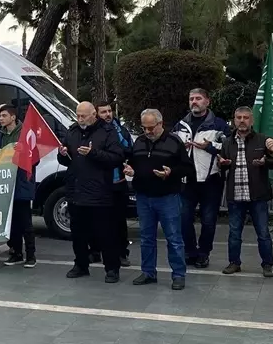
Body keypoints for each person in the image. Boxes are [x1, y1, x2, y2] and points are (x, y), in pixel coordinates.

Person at [58, 102, 126, 282]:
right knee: (78, 233)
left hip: (100, 192)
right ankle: (81, 264)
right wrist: (62, 153)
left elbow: (117, 157)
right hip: (76, 191)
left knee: (106, 233)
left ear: (93, 114)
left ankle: (112, 268)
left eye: (83, 116)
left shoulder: (107, 131)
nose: (80, 119)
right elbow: (67, 160)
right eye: (77, 115)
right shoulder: (72, 131)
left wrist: (93, 153)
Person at [127, 108, 192, 290]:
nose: (148, 132)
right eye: (144, 128)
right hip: (144, 197)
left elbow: (187, 168)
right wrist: (130, 169)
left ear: (160, 124)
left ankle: (178, 275)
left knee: (174, 237)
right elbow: (133, 162)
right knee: (147, 237)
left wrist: (171, 173)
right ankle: (148, 272)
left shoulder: (173, 142)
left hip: (167, 197)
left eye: (151, 128)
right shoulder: (139, 141)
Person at [217, 106, 273, 278]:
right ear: (234, 120)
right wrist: (222, 164)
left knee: (263, 232)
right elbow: (221, 165)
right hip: (235, 195)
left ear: (251, 121)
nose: (242, 121)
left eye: (246, 117)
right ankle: (234, 263)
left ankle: (267, 265)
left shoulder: (262, 140)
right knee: (234, 233)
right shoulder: (227, 142)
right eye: (238, 117)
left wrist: (267, 160)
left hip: (258, 195)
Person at [174, 89, 229, 269]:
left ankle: (204, 253)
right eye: (191, 99)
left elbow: (229, 148)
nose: (194, 102)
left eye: (198, 98)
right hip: (186, 181)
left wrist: (210, 147)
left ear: (207, 101)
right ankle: (191, 252)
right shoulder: (180, 125)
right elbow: (172, 148)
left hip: (210, 180)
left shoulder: (219, 124)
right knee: (184, 218)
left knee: (208, 220)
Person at [0, 104, 37, 267]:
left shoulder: (25, 133)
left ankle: (31, 256)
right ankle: (16, 252)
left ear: (13, 117)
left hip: (22, 182)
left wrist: (23, 151)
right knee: (11, 223)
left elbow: (35, 157)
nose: (1, 118)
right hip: (7, 183)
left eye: (4, 116)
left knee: (25, 222)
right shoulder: (1, 135)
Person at [97, 101, 134, 266]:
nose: (108, 115)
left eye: (109, 111)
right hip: (98, 183)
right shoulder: (94, 131)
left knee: (119, 221)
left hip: (118, 181)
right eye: (103, 112)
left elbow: (129, 149)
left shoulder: (120, 130)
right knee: (97, 220)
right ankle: (95, 250)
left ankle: (121, 253)